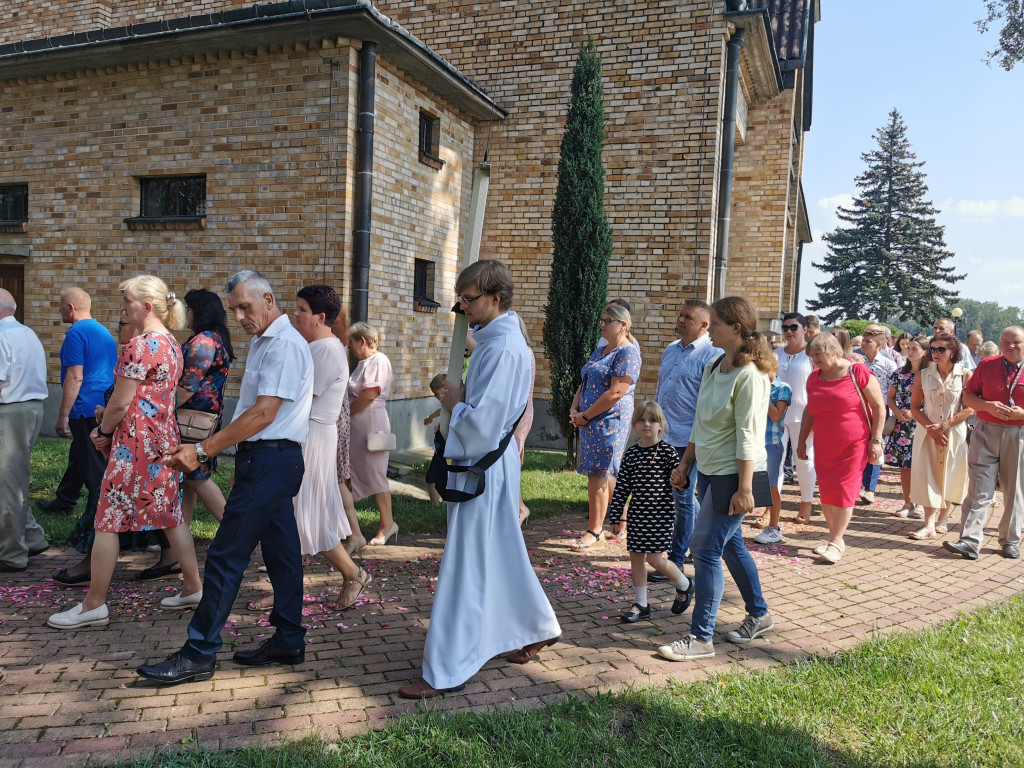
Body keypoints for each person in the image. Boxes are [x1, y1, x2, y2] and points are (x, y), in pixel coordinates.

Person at [135, 270, 313, 684]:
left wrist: (202, 449)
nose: (238, 317)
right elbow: (258, 413)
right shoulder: (267, 340)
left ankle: (199, 652)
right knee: (283, 556)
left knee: (226, 556)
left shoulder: (283, 343)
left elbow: (264, 414)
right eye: (233, 309)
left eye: (245, 307)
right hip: (268, 460)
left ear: (269, 299)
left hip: (273, 460)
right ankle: (288, 638)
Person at [399, 259, 561, 698]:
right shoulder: (497, 343)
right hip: (493, 463)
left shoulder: (504, 348)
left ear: (496, 298)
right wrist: (462, 402)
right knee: (499, 551)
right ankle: (536, 626)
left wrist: (454, 404)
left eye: (469, 299)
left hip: (484, 463)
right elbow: (491, 406)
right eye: (461, 299)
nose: (462, 307)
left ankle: (446, 668)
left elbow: (487, 423)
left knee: (466, 563)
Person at [47, 276, 203, 629]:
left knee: (107, 521)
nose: (121, 308)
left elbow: (121, 401)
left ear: (146, 307)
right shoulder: (172, 344)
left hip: (134, 448)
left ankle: (93, 605)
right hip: (163, 442)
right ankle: (193, 586)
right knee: (170, 515)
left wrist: (102, 431)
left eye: (127, 302)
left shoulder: (139, 346)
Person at [657, 297, 773, 662]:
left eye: (717, 323)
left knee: (705, 547)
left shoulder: (750, 375)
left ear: (735, 329)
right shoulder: (714, 366)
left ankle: (701, 637)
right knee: (729, 544)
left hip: (737, 474)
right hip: (709, 468)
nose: (712, 328)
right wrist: (685, 464)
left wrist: (743, 488)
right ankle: (760, 613)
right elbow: (701, 422)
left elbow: (748, 434)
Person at [249, 286, 371, 612]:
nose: (295, 315)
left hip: (313, 437)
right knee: (300, 519)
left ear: (319, 317)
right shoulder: (319, 346)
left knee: (303, 519)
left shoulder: (325, 350)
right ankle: (298, 586)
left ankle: (351, 574)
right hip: (310, 435)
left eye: (302, 309)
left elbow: (296, 400)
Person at [141, 289, 233, 581]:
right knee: (189, 484)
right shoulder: (215, 338)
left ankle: (240, 534)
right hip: (202, 419)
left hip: (192, 421)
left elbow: (185, 387)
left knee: (197, 478)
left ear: (199, 311)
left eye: (189, 310)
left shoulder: (204, 341)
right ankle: (176, 554)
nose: (186, 314)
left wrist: (160, 412)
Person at [798, 333, 885, 564]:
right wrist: (801, 439)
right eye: (811, 356)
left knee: (845, 491)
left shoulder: (857, 372)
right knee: (827, 491)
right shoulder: (815, 377)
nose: (813, 360)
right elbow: (810, 409)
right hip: (824, 443)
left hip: (854, 444)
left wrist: (875, 440)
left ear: (833, 350)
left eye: (817, 354)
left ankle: (836, 542)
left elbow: (878, 407)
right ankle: (834, 538)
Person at [607, 402, 694, 623]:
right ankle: (641, 604)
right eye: (642, 420)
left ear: (661, 426)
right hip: (637, 515)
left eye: (652, 420)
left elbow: (681, 483)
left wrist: (681, 482)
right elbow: (622, 488)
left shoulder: (667, 453)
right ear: (635, 425)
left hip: (661, 515)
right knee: (636, 558)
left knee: (655, 559)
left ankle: (684, 585)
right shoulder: (631, 455)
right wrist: (616, 516)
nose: (647, 424)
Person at [943, 326, 1024, 561]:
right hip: (986, 431)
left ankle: (1010, 540)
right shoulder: (988, 365)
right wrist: (987, 406)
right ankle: (969, 540)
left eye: (1016, 342)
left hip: (1018, 434)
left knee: (1014, 491)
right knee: (978, 487)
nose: (1011, 347)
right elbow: (968, 397)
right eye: (1005, 342)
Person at [36, 288, 117, 520]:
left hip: (84, 408)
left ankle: (105, 515)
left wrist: (63, 416)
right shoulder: (104, 332)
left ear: (70, 307)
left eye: (60, 305)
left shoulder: (75, 334)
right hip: (103, 406)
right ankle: (65, 500)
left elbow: (75, 377)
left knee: (93, 466)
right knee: (79, 456)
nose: (59, 309)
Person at [654, 300, 721, 570]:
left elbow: (708, 402)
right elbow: (661, 391)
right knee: (678, 498)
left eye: (688, 318)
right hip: (664, 436)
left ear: (705, 325)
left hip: (689, 439)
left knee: (682, 500)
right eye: (680, 315)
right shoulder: (671, 349)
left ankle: (677, 561)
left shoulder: (711, 354)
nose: (681, 321)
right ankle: (699, 540)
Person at [569, 303, 642, 549]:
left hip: (609, 420)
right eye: (602, 319)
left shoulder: (627, 352)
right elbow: (585, 381)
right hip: (589, 418)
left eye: (608, 320)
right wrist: (574, 409)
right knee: (604, 472)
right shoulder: (601, 350)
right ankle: (623, 518)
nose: (602, 323)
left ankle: (595, 530)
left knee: (599, 474)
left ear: (623, 325)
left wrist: (586, 416)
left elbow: (615, 393)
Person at [0, 289, 49, 573]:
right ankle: (32, 536)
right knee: (14, 478)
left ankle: (11, 554)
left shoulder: (2, 336)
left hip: (10, 410)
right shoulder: (27, 332)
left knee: (7, 483)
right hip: (32, 408)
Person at [907, 332, 973, 539]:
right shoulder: (923, 374)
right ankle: (928, 524)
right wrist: (932, 429)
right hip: (926, 432)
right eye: (933, 349)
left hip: (954, 432)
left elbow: (970, 408)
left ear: (953, 351)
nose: (935, 353)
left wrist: (945, 425)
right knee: (927, 475)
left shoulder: (966, 375)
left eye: (940, 349)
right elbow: (915, 408)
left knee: (951, 475)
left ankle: (943, 519)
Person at [347, 322, 396, 546]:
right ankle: (348, 525)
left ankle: (387, 524)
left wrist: (346, 414)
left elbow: (369, 394)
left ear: (363, 341)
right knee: (352, 472)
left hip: (371, 422)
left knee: (375, 473)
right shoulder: (364, 362)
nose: (350, 348)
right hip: (361, 423)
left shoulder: (379, 360)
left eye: (352, 343)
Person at [776, 313, 816, 524]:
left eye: (793, 327)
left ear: (805, 329)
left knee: (804, 461)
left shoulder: (811, 356)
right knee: (774, 463)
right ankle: (771, 509)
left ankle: (806, 506)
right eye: (785, 328)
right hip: (775, 417)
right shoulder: (775, 354)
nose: (789, 331)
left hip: (803, 416)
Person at [330, 309, 363, 555]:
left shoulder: (328, 348)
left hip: (330, 423)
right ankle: (353, 533)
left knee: (335, 481)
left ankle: (354, 534)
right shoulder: (336, 347)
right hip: (336, 419)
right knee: (336, 481)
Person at [886, 335, 928, 519]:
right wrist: (896, 412)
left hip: (922, 423)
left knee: (922, 464)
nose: (909, 352)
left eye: (914, 349)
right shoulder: (898, 374)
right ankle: (907, 502)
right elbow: (890, 398)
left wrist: (917, 412)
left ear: (925, 352)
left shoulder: (930, 375)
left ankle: (920, 503)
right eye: (908, 348)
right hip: (902, 425)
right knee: (905, 466)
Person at [752, 354, 791, 544]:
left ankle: (774, 527)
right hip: (754, 441)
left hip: (771, 443)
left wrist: (762, 393)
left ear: (774, 367)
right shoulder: (754, 384)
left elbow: (776, 416)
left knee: (771, 485)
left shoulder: (783, 388)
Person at [857, 327, 898, 504]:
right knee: (859, 448)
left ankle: (870, 489)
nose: (863, 344)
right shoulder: (858, 363)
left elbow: (894, 390)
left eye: (868, 341)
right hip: (860, 410)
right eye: (863, 340)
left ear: (879, 345)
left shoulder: (889, 365)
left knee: (876, 446)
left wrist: (891, 411)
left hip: (880, 410)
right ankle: (857, 484)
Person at [513, 315, 537, 526]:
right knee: (510, 461)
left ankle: (520, 508)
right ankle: (518, 506)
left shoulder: (524, 353)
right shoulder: (523, 352)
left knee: (512, 461)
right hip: (519, 411)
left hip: (520, 413)